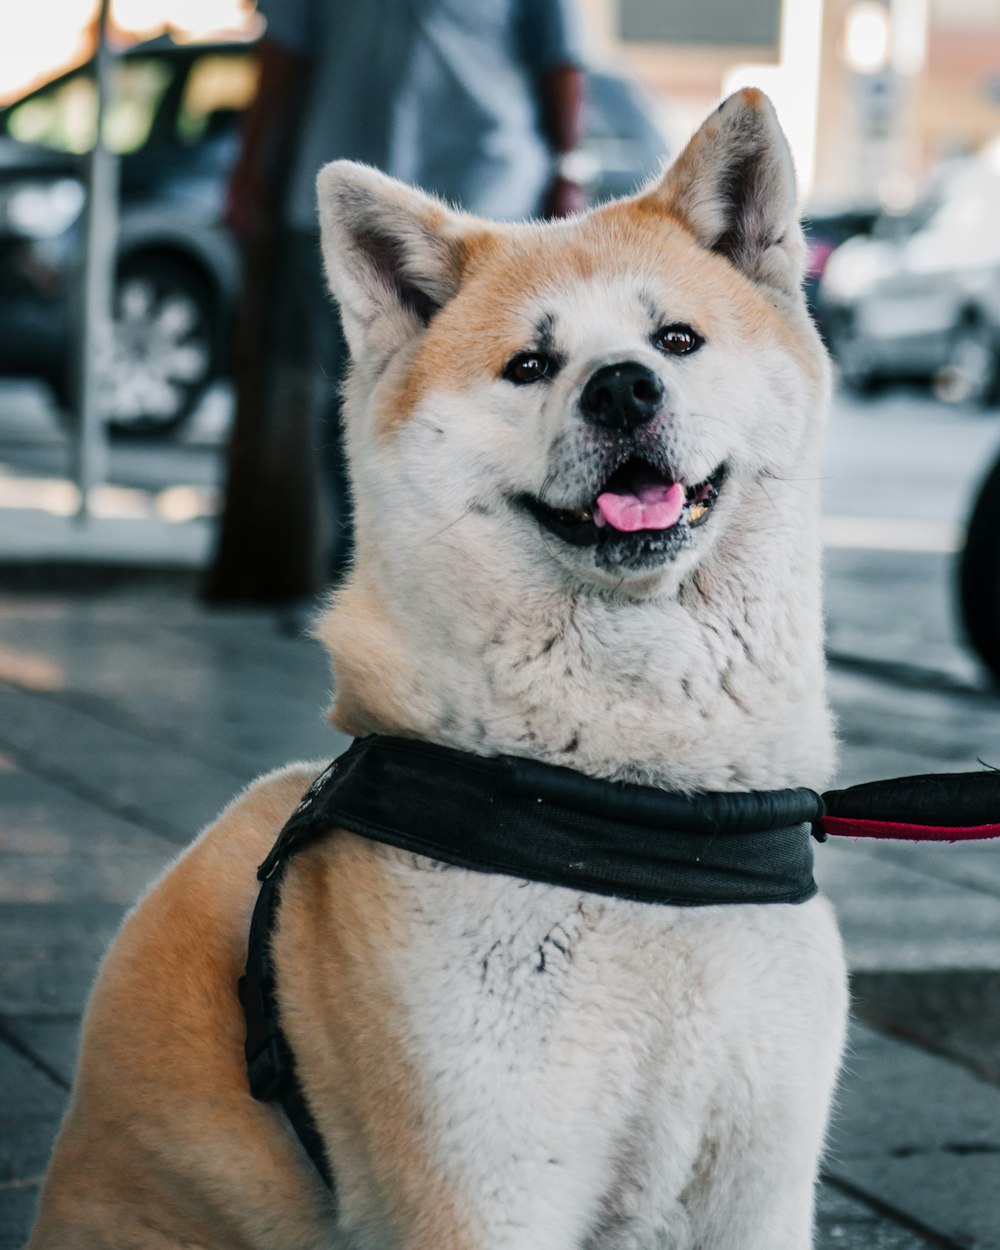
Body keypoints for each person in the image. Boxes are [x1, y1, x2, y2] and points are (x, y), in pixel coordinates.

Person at [208, 0, 587, 599]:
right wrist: (250, 169)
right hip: (348, 203)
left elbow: (561, 61)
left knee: (495, 396)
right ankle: (366, 582)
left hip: (487, 195)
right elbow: (283, 52)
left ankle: (485, 578)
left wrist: (568, 167)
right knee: (356, 395)